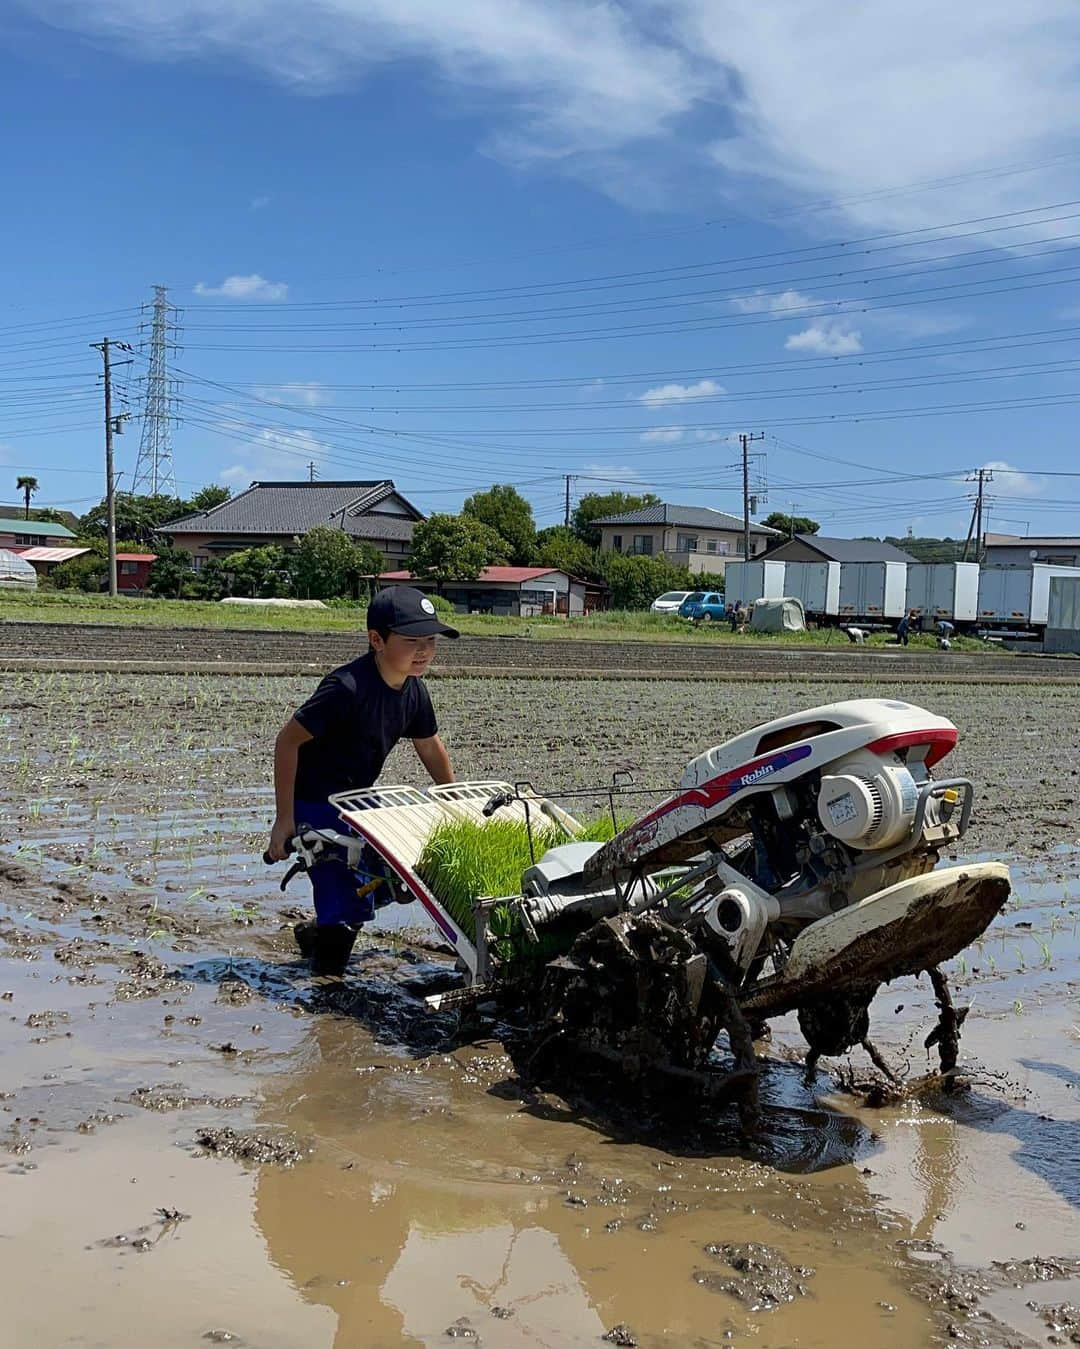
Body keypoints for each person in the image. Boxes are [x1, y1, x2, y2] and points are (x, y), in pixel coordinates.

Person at [267, 586, 459, 974]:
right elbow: (287, 742)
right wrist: (283, 820)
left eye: (430, 641)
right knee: (342, 898)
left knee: (395, 878)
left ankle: (316, 936)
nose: (424, 650)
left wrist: (454, 800)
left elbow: (429, 746)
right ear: (377, 640)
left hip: (357, 802)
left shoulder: (414, 691)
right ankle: (328, 996)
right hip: (316, 803)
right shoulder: (346, 688)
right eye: (412, 641)